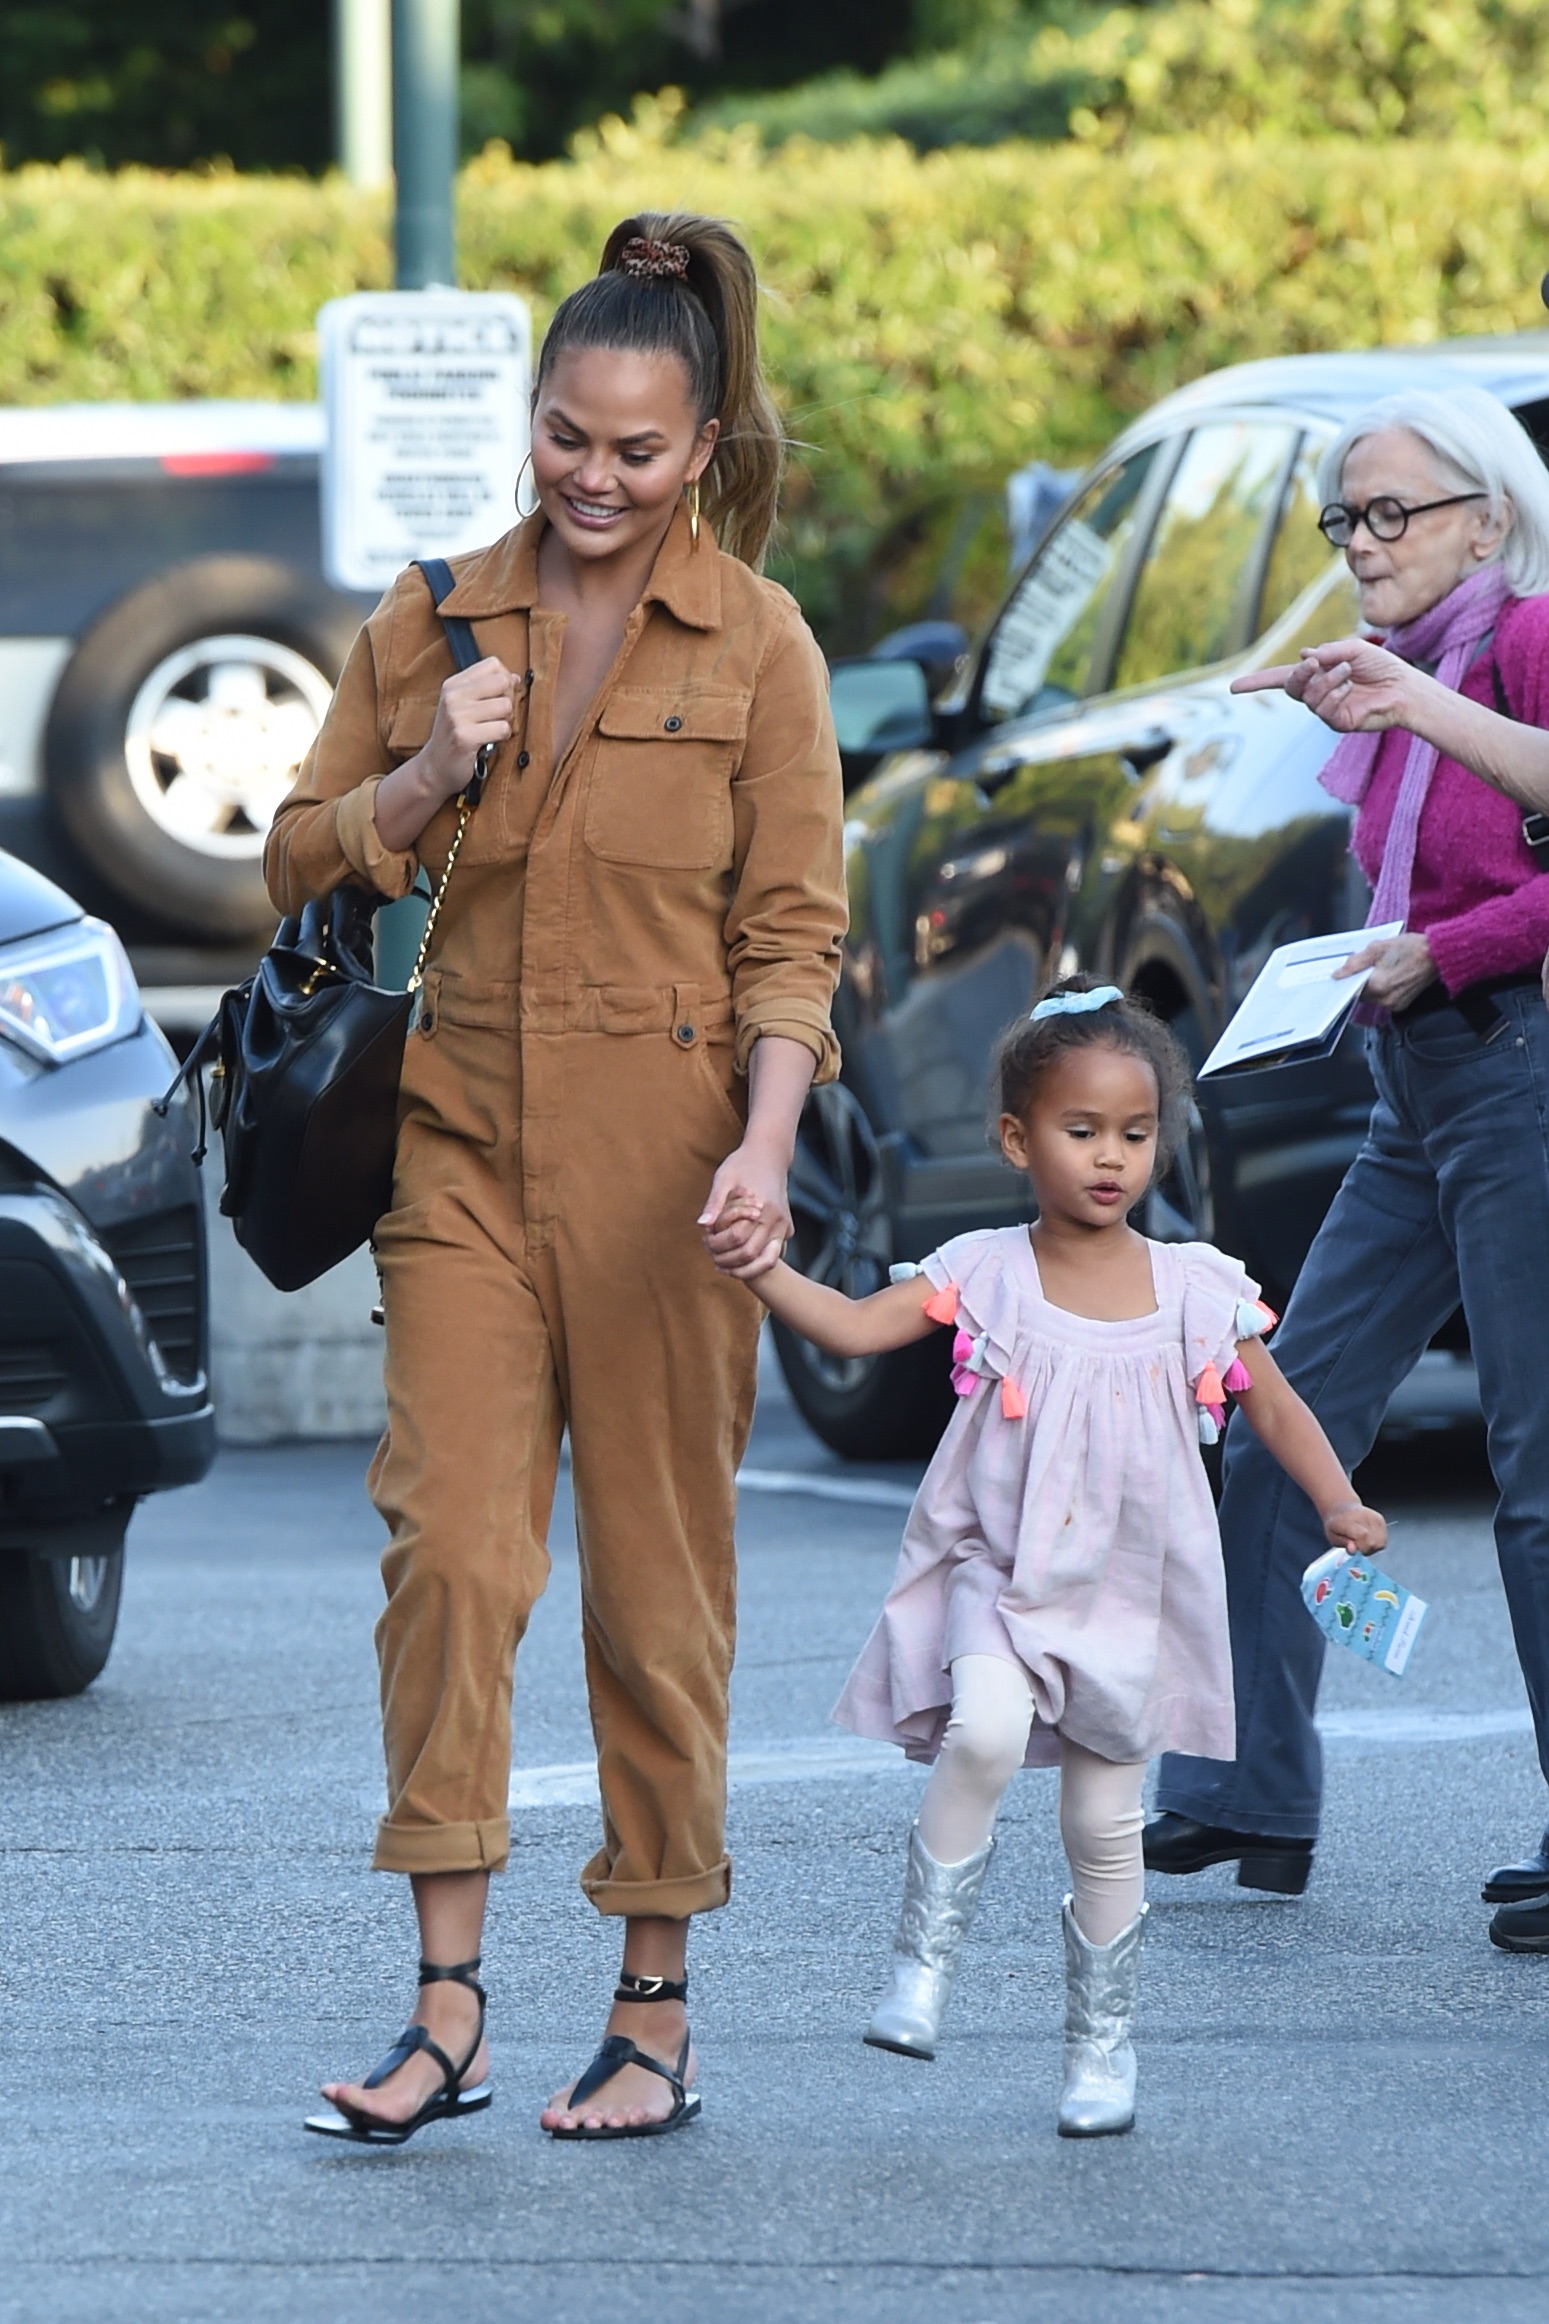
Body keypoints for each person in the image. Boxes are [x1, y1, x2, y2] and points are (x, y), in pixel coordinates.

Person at [265, 213, 846, 2142]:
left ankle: (651, 2002)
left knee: (656, 1590)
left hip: (673, 1160)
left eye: (636, 449)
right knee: (450, 1550)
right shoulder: (429, 618)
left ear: (702, 446)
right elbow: (290, 856)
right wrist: (422, 772)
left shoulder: (757, 641)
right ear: (529, 419)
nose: (593, 477)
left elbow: (791, 934)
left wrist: (762, 1141)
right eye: (565, 437)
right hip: (459, 1144)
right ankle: (444, 2004)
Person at [704, 980, 1386, 2136]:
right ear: (1018, 1140)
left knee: (1104, 1826)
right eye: (1081, 1130)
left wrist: (1338, 1497)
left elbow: (1272, 1404)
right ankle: (921, 1965)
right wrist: (761, 1267)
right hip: (1000, 1572)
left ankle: (1100, 2049)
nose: (1111, 1157)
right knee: (980, 1731)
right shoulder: (985, 1269)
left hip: (1130, 1594)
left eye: (1135, 1132)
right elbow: (858, 1328)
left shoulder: (1195, 1287)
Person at [1145, 386, 1549, 1956]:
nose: (1362, 543)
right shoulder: (1412, 668)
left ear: (1487, 517)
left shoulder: (1519, 642)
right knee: (1275, 1421)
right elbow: (1416, 879)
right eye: (1345, 519)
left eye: (1392, 512)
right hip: (1415, 1084)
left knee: (1533, 1477)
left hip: (1516, 1071)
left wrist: (1447, 943)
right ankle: (1249, 1786)